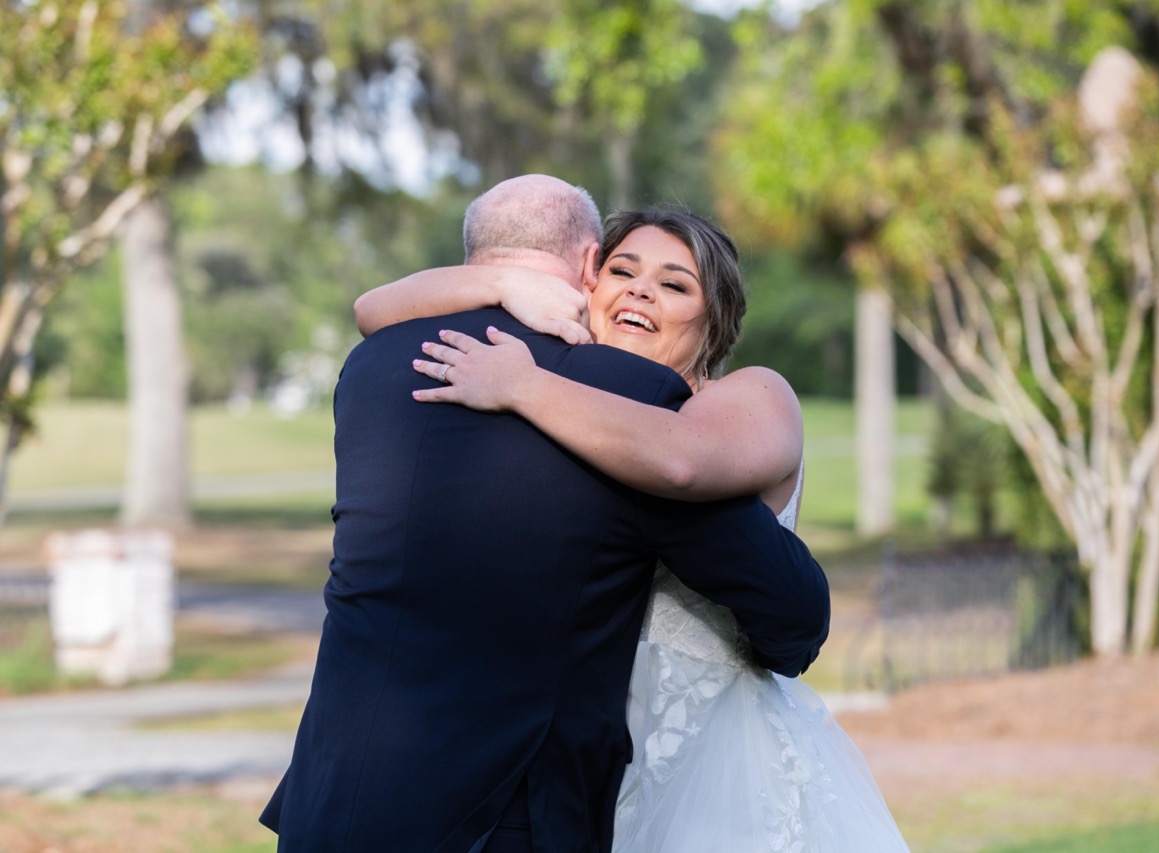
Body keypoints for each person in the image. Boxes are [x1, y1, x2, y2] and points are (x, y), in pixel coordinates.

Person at [260, 175, 832, 852]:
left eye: (676, 285)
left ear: (716, 319)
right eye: (623, 269)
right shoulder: (630, 396)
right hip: (513, 810)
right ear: (590, 275)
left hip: (339, 795)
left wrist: (522, 374)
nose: (642, 290)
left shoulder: (375, 363)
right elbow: (792, 611)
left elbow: (686, 464)